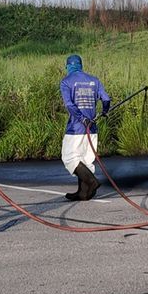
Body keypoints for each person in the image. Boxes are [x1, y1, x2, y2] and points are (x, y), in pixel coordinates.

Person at [58, 54, 110, 201]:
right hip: (92, 128)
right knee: (86, 160)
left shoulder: (66, 82)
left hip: (76, 128)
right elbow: (106, 99)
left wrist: (81, 119)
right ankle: (83, 192)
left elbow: (69, 105)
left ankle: (91, 181)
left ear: (68, 66)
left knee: (69, 158)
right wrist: (105, 111)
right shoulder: (94, 80)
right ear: (81, 65)